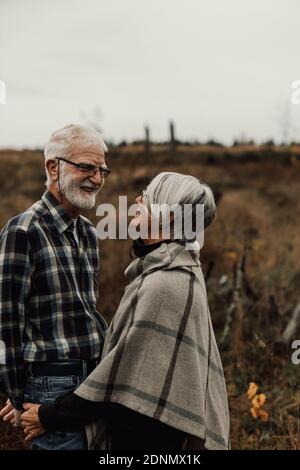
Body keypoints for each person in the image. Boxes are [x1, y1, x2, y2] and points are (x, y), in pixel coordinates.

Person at [21, 172, 230, 450]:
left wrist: (48, 416)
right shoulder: (173, 271)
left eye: (147, 196)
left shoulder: (165, 283)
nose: (137, 199)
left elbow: (115, 376)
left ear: (168, 217)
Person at [0, 124, 110, 450]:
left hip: (92, 384)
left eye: (102, 169)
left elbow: (84, 310)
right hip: (51, 384)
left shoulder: (89, 233)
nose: (97, 178)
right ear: (53, 167)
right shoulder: (23, 231)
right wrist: (18, 396)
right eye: (86, 167)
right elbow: (6, 323)